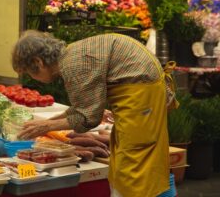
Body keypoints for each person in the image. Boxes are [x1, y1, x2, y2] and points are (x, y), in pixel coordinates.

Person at [12, 31, 175, 197]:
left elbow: (88, 118)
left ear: (37, 62)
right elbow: (82, 107)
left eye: (29, 72)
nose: (32, 78)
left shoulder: (73, 66)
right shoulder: (71, 55)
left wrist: (47, 126)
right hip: (143, 89)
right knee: (132, 157)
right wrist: (47, 124)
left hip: (142, 94)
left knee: (133, 162)